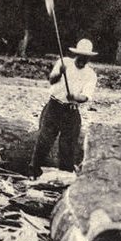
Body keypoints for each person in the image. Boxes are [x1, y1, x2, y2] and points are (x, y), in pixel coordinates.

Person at [28, 38, 98, 177]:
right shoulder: (63, 62)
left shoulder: (91, 74)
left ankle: (64, 177)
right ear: (76, 55)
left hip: (71, 111)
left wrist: (75, 97)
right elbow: (52, 80)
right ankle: (33, 172)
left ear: (89, 58)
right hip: (54, 107)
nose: (82, 60)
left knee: (68, 147)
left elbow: (85, 97)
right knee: (44, 140)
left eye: (86, 58)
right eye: (81, 57)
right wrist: (60, 72)